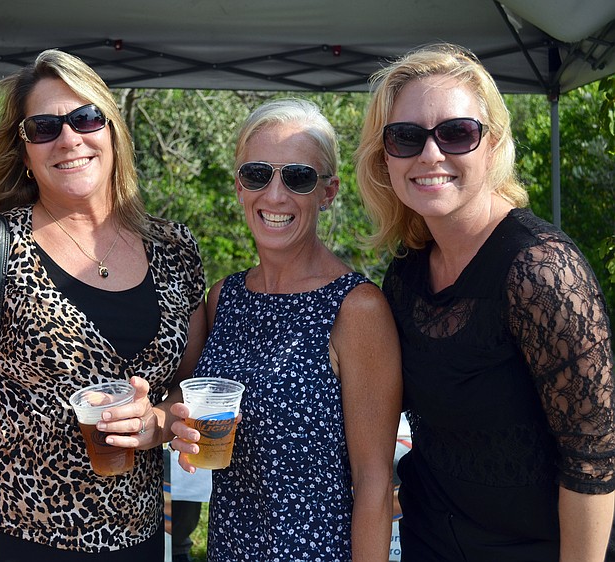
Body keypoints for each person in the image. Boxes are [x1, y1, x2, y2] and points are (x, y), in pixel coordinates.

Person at [0, 49, 207, 562]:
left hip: (140, 541)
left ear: (112, 130)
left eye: (85, 118)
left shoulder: (176, 250)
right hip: (16, 536)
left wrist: (157, 422)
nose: (68, 139)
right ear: (24, 148)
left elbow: (186, 391)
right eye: (43, 127)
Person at [354, 43, 615, 562]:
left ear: (492, 144)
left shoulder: (542, 272)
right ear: (385, 158)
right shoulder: (406, 274)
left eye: (456, 133)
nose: (431, 154)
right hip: (432, 543)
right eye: (406, 137)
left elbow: (594, 462)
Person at [169, 98, 403, 561]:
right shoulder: (223, 299)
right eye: (258, 174)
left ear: (328, 191)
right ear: (239, 187)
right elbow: (177, 401)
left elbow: (374, 482)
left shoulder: (357, 308)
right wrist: (176, 425)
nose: (275, 195)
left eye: (297, 177)